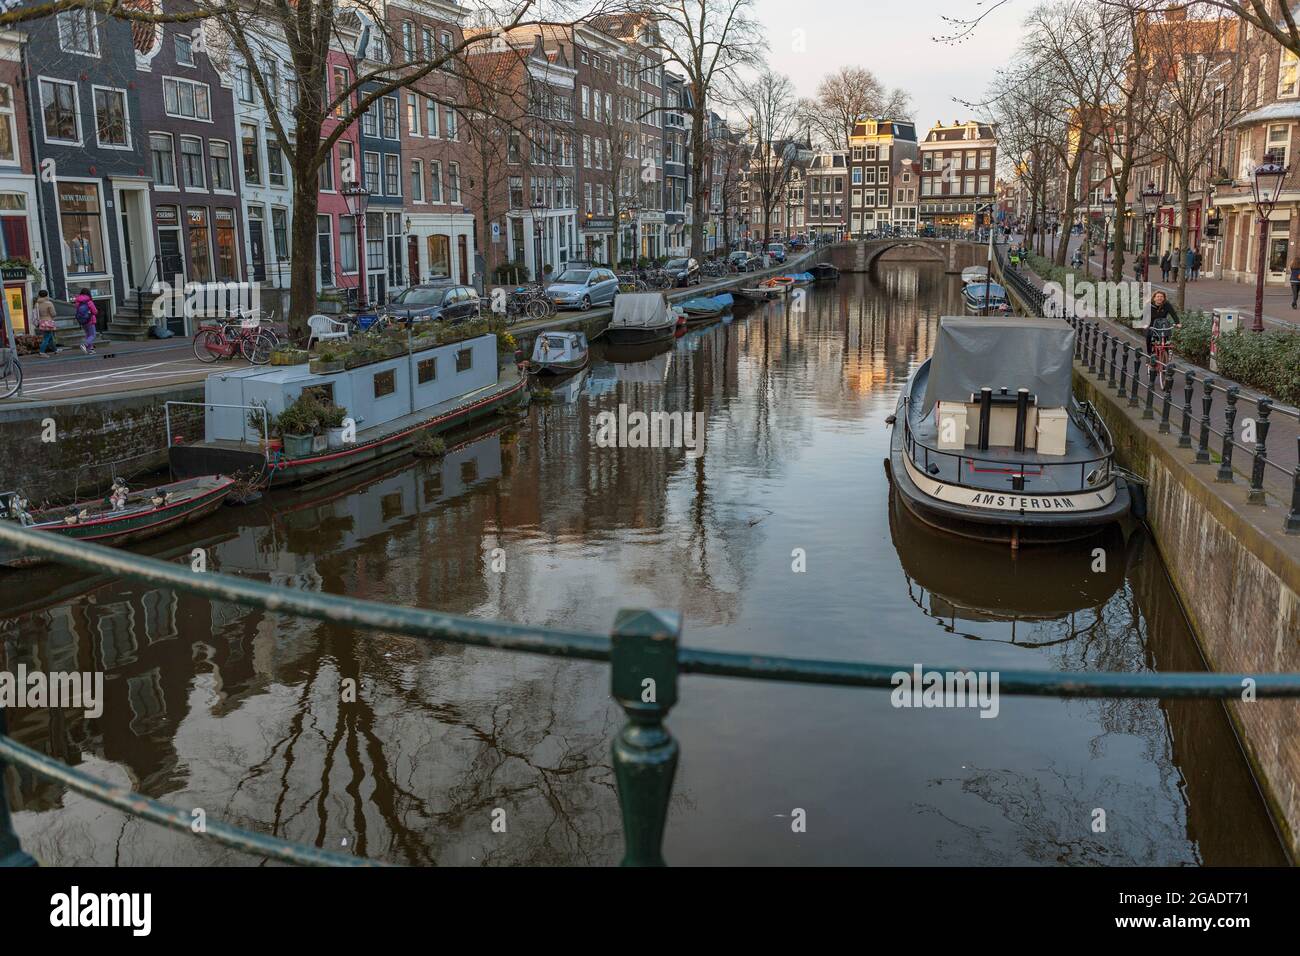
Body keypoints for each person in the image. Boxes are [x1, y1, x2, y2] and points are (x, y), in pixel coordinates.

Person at [74, 288, 98, 353]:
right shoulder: (89, 301)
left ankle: (91, 349)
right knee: (93, 335)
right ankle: (84, 345)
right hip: (90, 320)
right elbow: (95, 311)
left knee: (88, 334)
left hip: (82, 320)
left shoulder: (77, 302)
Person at [35, 289, 58, 356]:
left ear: (39, 295)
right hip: (48, 321)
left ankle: (55, 350)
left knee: (49, 336)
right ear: (47, 295)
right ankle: (41, 352)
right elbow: (53, 314)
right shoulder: (49, 303)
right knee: (47, 337)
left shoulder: (37, 304)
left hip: (41, 321)